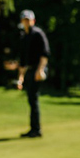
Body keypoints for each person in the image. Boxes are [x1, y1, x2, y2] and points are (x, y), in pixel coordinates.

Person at [17, 10, 50, 138]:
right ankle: (34, 128)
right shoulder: (23, 37)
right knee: (31, 98)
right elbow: (22, 61)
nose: (26, 22)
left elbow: (45, 54)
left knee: (33, 98)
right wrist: (20, 78)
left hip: (39, 69)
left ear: (33, 21)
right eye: (24, 20)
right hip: (30, 70)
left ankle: (36, 129)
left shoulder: (38, 34)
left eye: (28, 19)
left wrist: (40, 70)